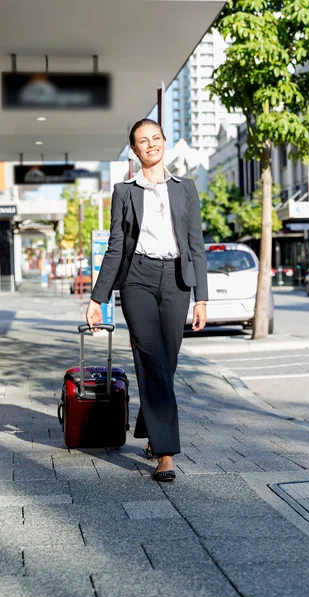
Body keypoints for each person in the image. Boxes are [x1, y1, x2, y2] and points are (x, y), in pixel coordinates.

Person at [86, 118, 208, 482]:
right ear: (135, 150)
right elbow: (115, 246)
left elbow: (196, 246)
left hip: (176, 281)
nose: (150, 144)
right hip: (137, 278)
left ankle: (152, 428)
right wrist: (98, 298)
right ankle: (165, 452)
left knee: (166, 363)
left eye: (156, 138)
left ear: (164, 142)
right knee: (151, 359)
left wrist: (202, 297)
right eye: (143, 141)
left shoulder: (186, 189)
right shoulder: (125, 192)